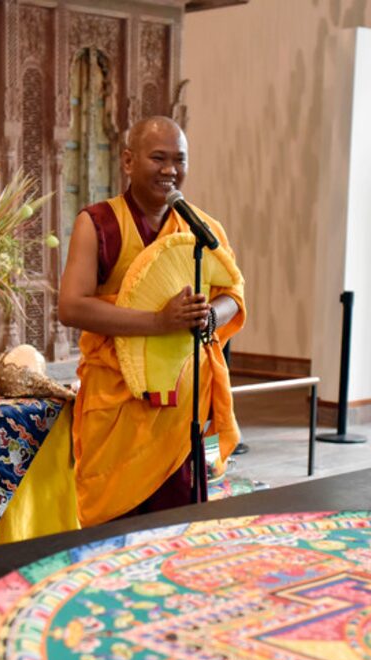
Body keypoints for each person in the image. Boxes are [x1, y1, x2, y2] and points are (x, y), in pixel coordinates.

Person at [58, 116, 245, 526]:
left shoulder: (202, 228)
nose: (170, 170)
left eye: (179, 159)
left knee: (177, 528)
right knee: (110, 528)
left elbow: (233, 291)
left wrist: (212, 315)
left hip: (180, 409)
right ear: (128, 160)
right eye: (157, 157)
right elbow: (71, 306)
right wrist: (158, 322)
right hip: (117, 403)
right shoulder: (97, 224)